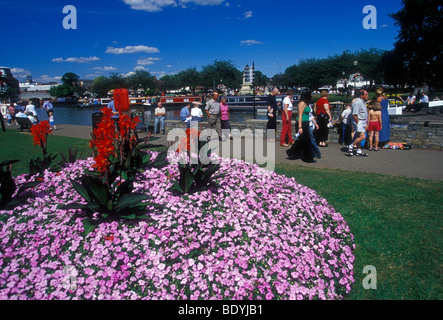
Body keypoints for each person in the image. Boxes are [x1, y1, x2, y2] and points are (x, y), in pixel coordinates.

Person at [286, 89, 316, 163]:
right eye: (310, 94)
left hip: (306, 122)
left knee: (302, 140)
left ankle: (292, 152)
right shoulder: (301, 103)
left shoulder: (307, 103)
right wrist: (300, 127)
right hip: (301, 123)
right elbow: (300, 115)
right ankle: (307, 157)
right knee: (306, 140)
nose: (311, 95)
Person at [348, 90, 369, 157]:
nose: (367, 96)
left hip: (362, 121)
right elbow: (354, 114)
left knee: (358, 136)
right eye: (366, 95)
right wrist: (358, 122)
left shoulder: (363, 102)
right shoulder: (357, 102)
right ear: (361, 95)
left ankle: (358, 151)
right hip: (358, 121)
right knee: (362, 137)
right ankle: (351, 146)